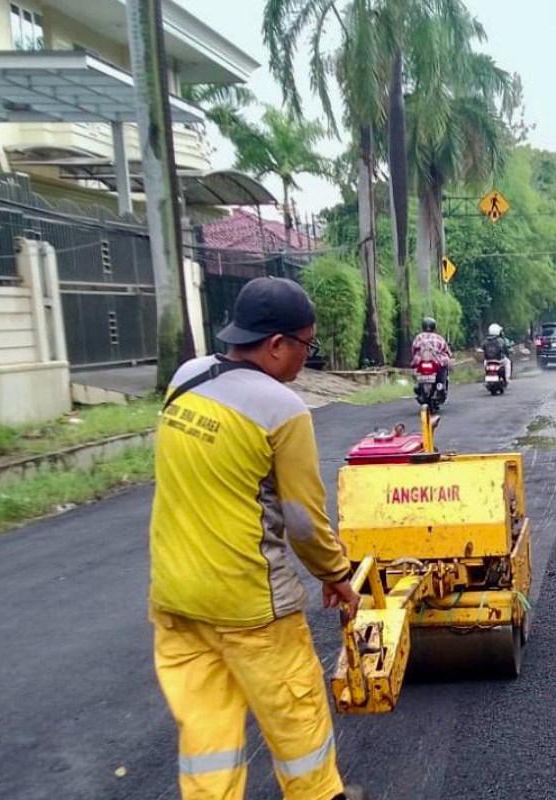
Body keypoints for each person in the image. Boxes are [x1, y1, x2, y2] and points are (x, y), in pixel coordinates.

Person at [148, 276, 367, 800]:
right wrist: (336, 575)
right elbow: (303, 521)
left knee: (207, 730)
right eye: (306, 346)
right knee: (296, 715)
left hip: (174, 598)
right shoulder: (281, 409)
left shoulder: (186, 378)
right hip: (251, 604)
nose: (304, 361)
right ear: (276, 345)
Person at [412, 316, 453, 388]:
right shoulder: (439, 338)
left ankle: (417, 384)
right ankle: (440, 383)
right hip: (436, 360)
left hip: (421, 360)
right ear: (434, 327)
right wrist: (449, 355)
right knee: (444, 366)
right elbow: (446, 350)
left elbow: (414, 349)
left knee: (415, 367)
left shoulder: (419, 337)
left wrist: (415, 358)